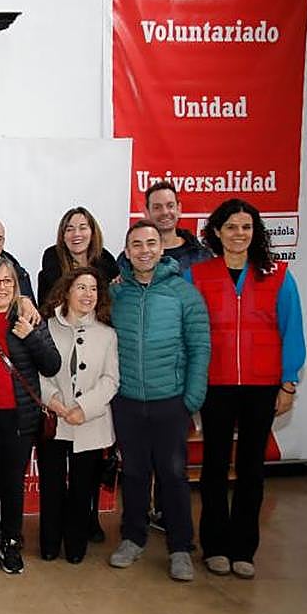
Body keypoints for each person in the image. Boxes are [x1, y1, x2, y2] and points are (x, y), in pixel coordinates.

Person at [190, 198, 305, 579]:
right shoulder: (200, 275)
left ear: (255, 233)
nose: (239, 234)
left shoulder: (277, 274)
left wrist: (287, 383)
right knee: (215, 467)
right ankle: (215, 546)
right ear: (217, 232)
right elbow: (190, 330)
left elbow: (292, 331)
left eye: (246, 227)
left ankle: (244, 548)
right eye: (232, 227)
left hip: (261, 385)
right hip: (216, 383)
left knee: (252, 468)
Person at [108, 221, 210, 581]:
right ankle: (132, 537)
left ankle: (180, 547)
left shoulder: (184, 294)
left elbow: (200, 347)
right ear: (128, 250)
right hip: (128, 401)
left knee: (173, 475)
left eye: (151, 243)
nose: (144, 250)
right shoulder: (115, 294)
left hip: (171, 400)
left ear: (161, 248)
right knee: (133, 473)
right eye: (136, 244)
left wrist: (191, 399)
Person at [0, 256, 61, 574]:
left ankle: (13, 542)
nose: (0, 287)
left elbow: (52, 365)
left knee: (13, 483)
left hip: (19, 417)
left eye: (7, 281)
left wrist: (30, 336)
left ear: (16, 287)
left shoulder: (29, 319)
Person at [36, 209, 119, 543]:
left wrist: (84, 408)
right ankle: (51, 540)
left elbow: (110, 379)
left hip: (90, 418)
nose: (87, 294)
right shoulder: (47, 325)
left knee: (85, 483)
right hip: (54, 417)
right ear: (65, 290)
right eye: (80, 288)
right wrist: (55, 403)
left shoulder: (106, 332)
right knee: (53, 483)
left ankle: (79, 537)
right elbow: (38, 371)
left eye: (93, 289)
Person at [36, 207, 120, 306]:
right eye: (69, 229)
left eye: (83, 228)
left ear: (92, 233)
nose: (76, 234)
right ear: (63, 236)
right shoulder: (52, 259)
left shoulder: (105, 259)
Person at [143, 180, 213, 273]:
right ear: (147, 213)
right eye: (157, 207)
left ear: (179, 209)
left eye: (170, 206)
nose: (165, 212)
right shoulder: (133, 258)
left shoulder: (201, 256)